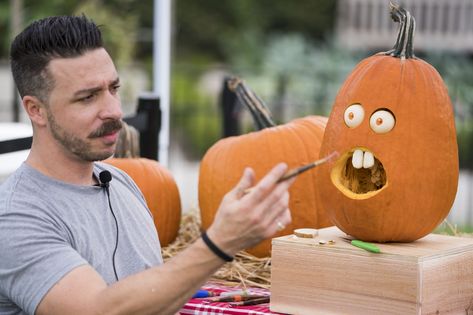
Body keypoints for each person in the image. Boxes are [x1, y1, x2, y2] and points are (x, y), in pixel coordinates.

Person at [0, 15, 294, 315]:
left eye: (113, 88)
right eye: (87, 98)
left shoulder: (122, 183)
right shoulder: (14, 216)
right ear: (36, 110)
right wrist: (220, 242)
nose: (114, 111)